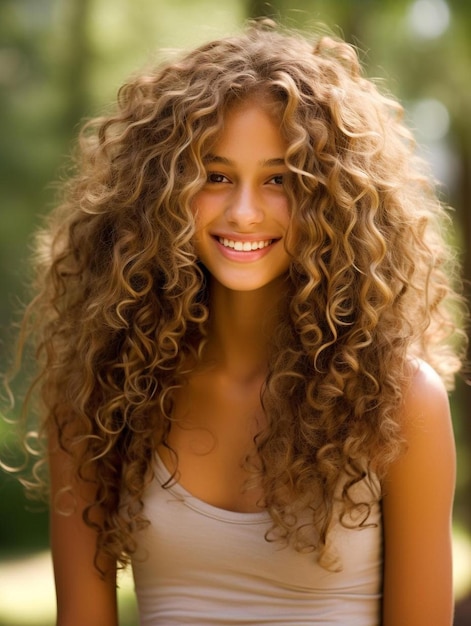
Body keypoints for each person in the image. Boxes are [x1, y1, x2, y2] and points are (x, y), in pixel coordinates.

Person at [7, 19, 467, 626]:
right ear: (158, 190)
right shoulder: (103, 393)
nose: (244, 212)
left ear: (333, 198)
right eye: (216, 176)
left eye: (279, 180)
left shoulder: (401, 402)